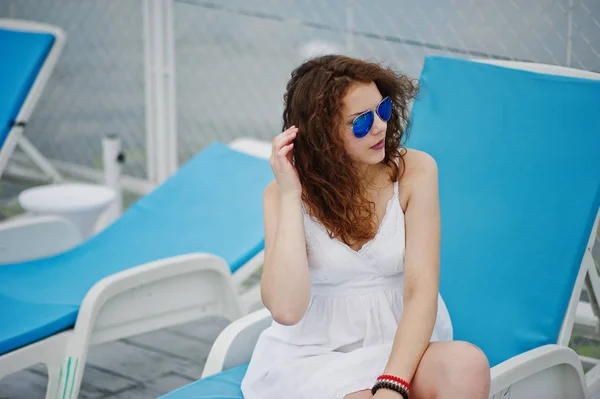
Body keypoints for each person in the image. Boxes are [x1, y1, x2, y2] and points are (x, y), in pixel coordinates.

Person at [240, 55, 490, 399]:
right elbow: (286, 308)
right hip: (313, 357)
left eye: (383, 110)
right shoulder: (281, 195)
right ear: (322, 135)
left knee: (467, 365)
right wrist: (290, 195)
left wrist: (393, 384)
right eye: (360, 122)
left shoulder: (415, 171)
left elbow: (421, 290)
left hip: (400, 344)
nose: (379, 127)